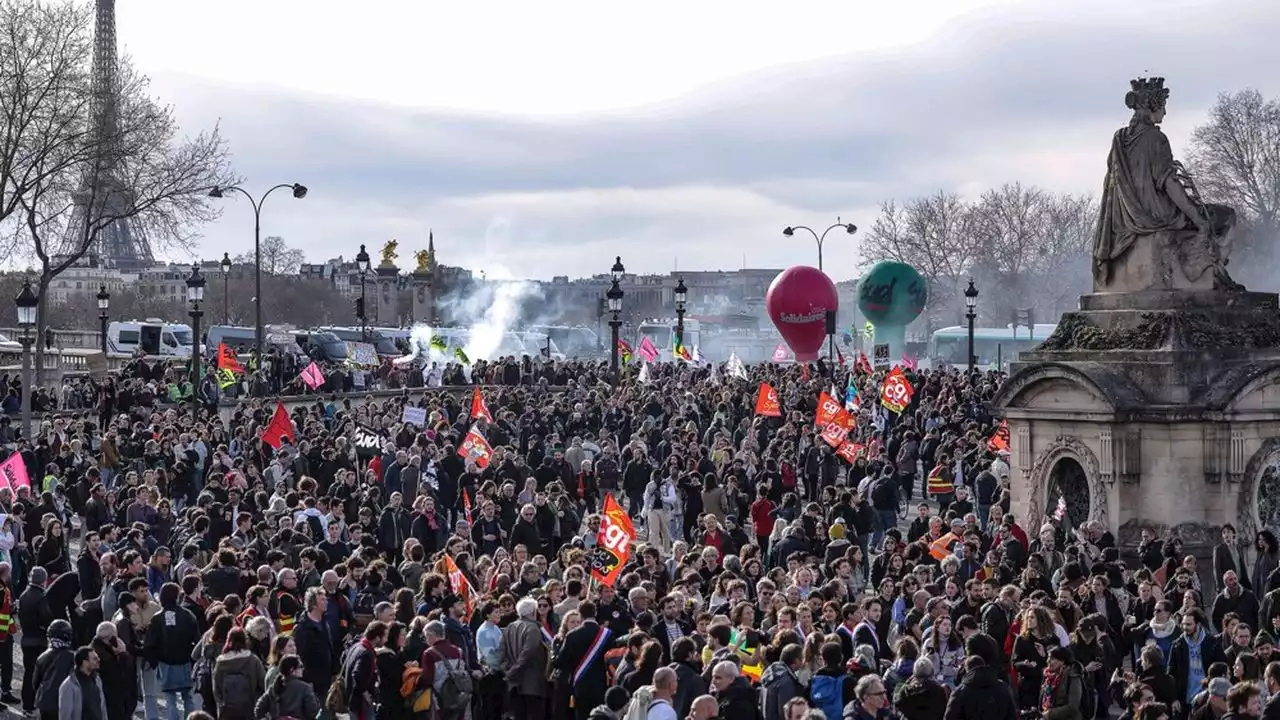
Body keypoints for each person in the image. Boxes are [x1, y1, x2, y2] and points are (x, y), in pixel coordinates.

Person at [145, 581, 200, 720]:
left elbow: (151, 642)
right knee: (187, 696)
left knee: (170, 698)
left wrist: (153, 662)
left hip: (165, 663)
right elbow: (197, 639)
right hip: (185, 661)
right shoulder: (188, 615)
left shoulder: (157, 618)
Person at [212, 627, 266, 720]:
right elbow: (263, 683)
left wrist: (221, 704)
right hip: (249, 707)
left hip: (227, 709)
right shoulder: (252, 660)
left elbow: (216, 688)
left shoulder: (220, 662)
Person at [254, 654, 321, 720]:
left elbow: (258, 710)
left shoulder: (273, 688)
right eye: (301, 666)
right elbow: (312, 712)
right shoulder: (305, 688)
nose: (303, 669)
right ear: (291, 669)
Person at [31, 619, 75, 720]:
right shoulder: (73, 657)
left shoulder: (42, 657)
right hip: (65, 703)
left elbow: (35, 684)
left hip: (45, 704)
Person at [56, 645, 109, 720]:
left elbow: (102, 707)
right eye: (94, 659)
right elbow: (65, 715)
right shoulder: (69, 685)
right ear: (84, 662)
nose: (99, 660)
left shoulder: (97, 680)